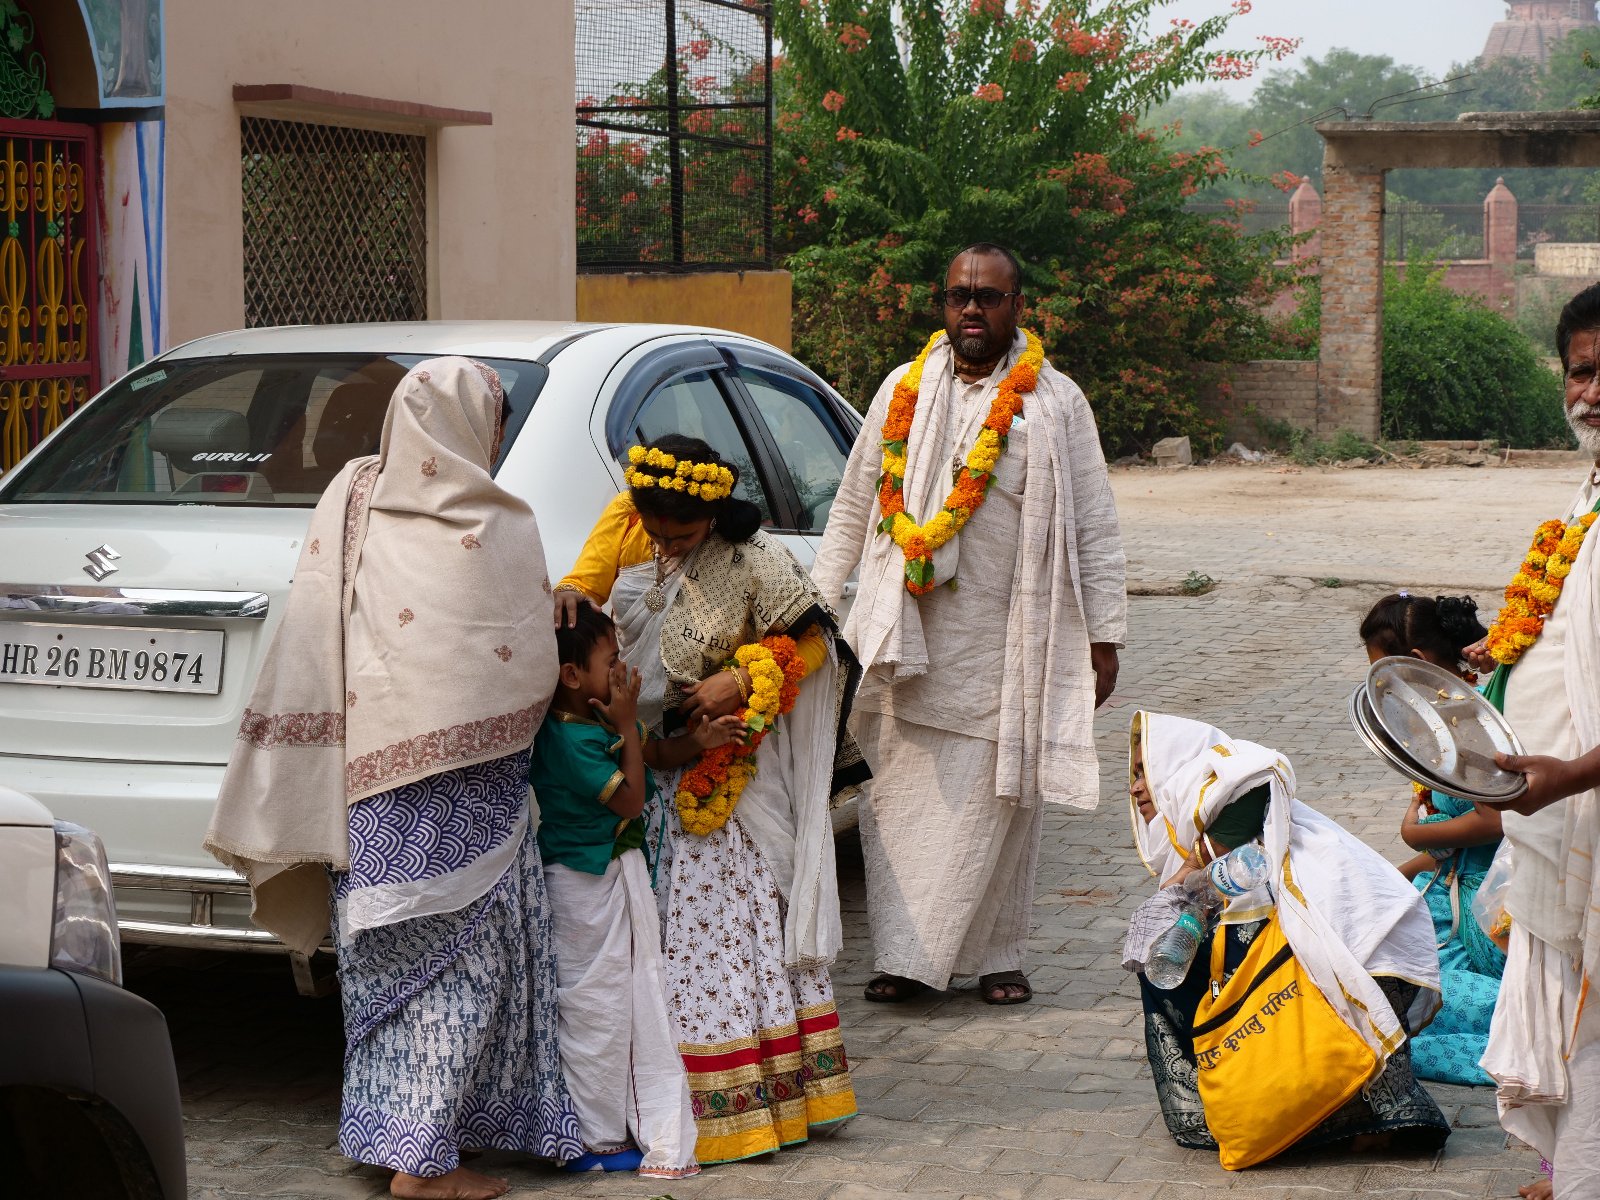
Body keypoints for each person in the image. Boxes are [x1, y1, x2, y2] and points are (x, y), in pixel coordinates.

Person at [204, 358, 583, 1200]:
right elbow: (522, 665)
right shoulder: (497, 519)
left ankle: (397, 1139)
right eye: (493, 416)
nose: (497, 434)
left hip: (368, 788)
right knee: (463, 970)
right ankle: (426, 1168)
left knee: (384, 967)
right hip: (462, 798)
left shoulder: (356, 500)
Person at [811, 241, 1127, 1005]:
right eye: (959, 296)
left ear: (1018, 306)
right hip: (906, 636)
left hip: (1007, 638)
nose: (972, 311)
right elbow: (855, 503)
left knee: (998, 803)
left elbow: (1095, 522)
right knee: (901, 801)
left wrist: (1105, 636)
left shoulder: (1055, 403)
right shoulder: (903, 387)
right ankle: (901, 957)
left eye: (988, 298)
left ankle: (997, 956)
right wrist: (819, 606)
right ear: (941, 304)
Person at [554, 434, 864, 1165]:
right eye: (656, 531)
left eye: (683, 535)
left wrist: (746, 675)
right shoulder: (629, 534)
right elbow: (585, 597)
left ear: (716, 518)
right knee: (659, 947)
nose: (666, 545)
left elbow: (820, 644)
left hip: (730, 792)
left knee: (722, 940)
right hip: (650, 775)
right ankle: (658, 1102)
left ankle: (746, 1112)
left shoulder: (756, 562)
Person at [1126, 711, 1450, 1160]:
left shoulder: (1233, 786)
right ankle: (1305, 1105)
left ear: (1174, 763)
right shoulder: (1207, 811)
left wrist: (1189, 888)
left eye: (1145, 772)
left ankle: (1268, 1105)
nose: (1136, 788)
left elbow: (1258, 782)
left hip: (1338, 954)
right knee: (1170, 947)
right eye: (1135, 776)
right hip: (1343, 951)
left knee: (1169, 956)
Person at [1462, 281, 1600, 1200]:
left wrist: (1570, 776)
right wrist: (1508, 652)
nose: (1592, 391)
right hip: (1563, 825)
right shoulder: (1585, 500)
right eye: (1581, 372)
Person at [532, 604, 740, 1180]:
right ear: (572, 676)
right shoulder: (568, 739)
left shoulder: (600, 719)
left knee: (623, 999)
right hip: (578, 882)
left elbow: (656, 755)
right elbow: (630, 800)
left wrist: (700, 740)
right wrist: (626, 725)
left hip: (611, 873)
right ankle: (591, 1137)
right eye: (612, 660)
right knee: (592, 1007)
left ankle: (612, 1122)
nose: (624, 671)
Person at [1360, 592, 1505, 1087]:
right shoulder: (1448, 715)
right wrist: (1391, 880)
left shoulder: (1468, 725)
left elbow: (1494, 823)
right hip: (1457, 895)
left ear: (1415, 663)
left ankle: (1529, 1046)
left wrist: (1413, 835)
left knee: (1382, 1023)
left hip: (1491, 916)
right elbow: (1448, 854)